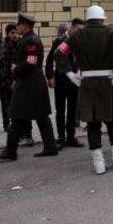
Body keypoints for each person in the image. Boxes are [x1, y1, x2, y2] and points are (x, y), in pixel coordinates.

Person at [54, 5, 113, 174]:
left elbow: (59, 53)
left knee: (93, 124)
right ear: (102, 18)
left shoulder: (76, 35)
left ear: (87, 19)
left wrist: (69, 74)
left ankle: (99, 165)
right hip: (108, 82)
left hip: (87, 84)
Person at [0, 13, 58, 161]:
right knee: (37, 116)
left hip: (30, 84)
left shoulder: (31, 41)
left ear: (26, 26)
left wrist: (15, 70)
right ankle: (49, 146)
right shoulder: (28, 39)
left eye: (19, 25)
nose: (17, 27)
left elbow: (31, 62)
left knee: (17, 115)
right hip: (31, 83)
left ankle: (11, 151)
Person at [45, 19, 85, 149]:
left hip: (75, 80)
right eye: (79, 29)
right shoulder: (60, 40)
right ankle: (61, 137)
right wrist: (50, 76)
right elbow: (50, 59)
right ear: (72, 27)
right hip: (62, 79)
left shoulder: (80, 40)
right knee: (61, 109)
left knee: (73, 109)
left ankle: (71, 137)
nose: (81, 32)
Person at [0, 23, 19, 138]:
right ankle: (7, 125)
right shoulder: (3, 46)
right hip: (6, 82)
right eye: (12, 33)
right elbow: (1, 65)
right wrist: (4, 79)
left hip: (19, 82)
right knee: (7, 104)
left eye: (16, 32)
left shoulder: (22, 44)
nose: (15, 35)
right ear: (8, 34)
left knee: (19, 106)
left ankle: (21, 130)